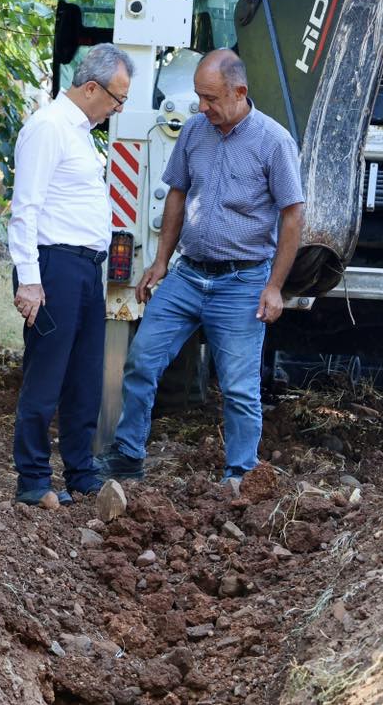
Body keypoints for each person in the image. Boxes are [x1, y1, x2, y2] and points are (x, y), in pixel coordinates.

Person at [98, 49, 305, 491]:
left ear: (240, 92)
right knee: (141, 362)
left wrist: (275, 287)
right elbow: (176, 195)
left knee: (239, 388)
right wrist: (159, 261)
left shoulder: (274, 141)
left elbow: (293, 215)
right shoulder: (194, 131)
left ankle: (240, 476)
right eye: (198, 96)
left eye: (210, 98)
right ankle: (129, 455)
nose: (202, 106)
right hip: (188, 275)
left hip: (243, 280)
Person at [8, 43, 134, 508]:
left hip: (86, 268)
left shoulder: (82, 132)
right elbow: (26, 209)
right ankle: (34, 480)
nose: (118, 109)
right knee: (47, 373)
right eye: (116, 99)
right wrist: (29, 279)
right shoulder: (48, 127)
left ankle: (81, 472)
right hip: (53, 265)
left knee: (85, 375)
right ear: (89, 87)